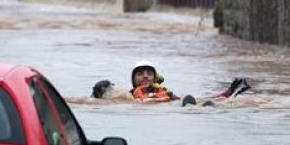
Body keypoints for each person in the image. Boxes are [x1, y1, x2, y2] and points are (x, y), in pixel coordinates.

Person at [92, 61, 251, 106]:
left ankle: (205, 109)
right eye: (140, 74)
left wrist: (229, 92)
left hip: (173, 106)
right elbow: (101, 101)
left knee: (192, 103)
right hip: (144, 106)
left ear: (155, 77)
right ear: (133, 79)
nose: (145, 77)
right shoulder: (128, 95)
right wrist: (98, 93)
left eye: (149, 73)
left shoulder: (166, 92)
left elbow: (196, 98)